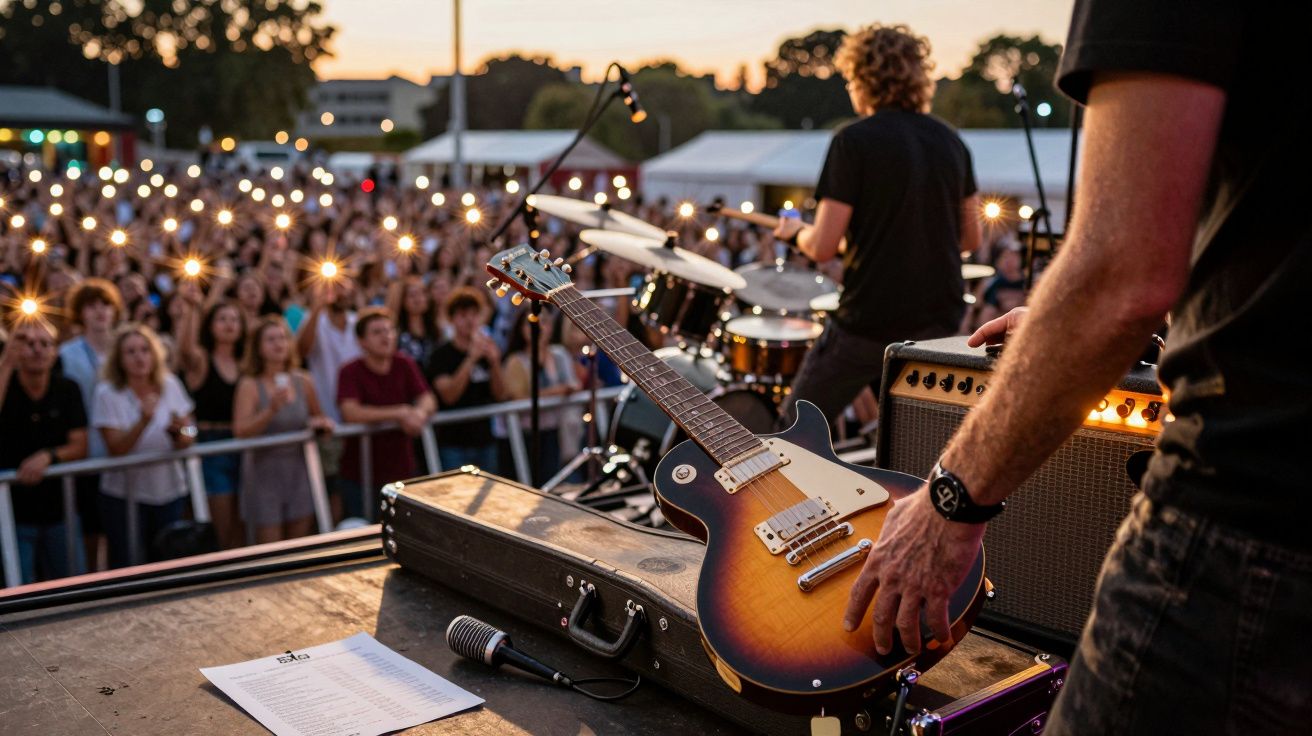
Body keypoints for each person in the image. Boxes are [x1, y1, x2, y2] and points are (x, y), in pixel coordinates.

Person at [843, 4, 1312, 734]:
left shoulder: (853, 141)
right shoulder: (946, 143)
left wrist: (947, 503)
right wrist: (1086, 331)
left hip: (1254, 519)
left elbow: (1119, 271)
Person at [773, 23, 981, 426]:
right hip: (939, 323)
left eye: (850, 78)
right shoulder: (952, 142)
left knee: (795, 432)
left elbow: (822, 247)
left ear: (864, 79)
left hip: (869, 321)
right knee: (915, 440)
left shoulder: (853, 141)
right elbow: (970, 238)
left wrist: (793, 231)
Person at [93, 323, 197, 568]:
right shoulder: (106, 393)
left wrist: (181, 432)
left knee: (168, 563)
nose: (139, 357)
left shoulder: (170, 384)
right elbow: (115, 448)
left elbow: (192, 431)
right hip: (124, 497)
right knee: (129, 564)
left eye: (144, 350)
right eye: (131, 351)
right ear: (119, 358)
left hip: (169, 491)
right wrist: (143, 421)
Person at [0, 319, 89, 583]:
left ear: (55, 351)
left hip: (60, 510)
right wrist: (6, 363)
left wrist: (48, 456)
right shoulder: (7, 384)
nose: (37, 350)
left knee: (71, 588)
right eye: (28, 343)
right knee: (18, 593)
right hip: (12, 512)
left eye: (45, 344)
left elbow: (80, 445)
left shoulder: (68, 389)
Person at [232, 316, 334, 543]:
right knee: (272, 551)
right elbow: (240, 430)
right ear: (258, 347)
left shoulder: (303, 380)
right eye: (270, 339)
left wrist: (321, 425)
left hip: (299, 471)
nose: (279, 344)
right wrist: (271, 409)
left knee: (298, 546)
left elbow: (318, 417)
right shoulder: (249, 385)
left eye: (282, 338)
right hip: (263, 475)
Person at [336, 308, 436, 518]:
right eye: (377, 332)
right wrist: (399, 412)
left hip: (403, 469)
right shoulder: (350, 371)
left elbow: (427, 398)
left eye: (389, 330)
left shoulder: (404, 363)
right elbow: (350, 412)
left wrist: (418, 413)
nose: (386, 336)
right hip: (361, 475)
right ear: (361, 341)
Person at [58, 278, 123, 570]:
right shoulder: (66, 354)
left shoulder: (127, 347)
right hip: (89, 454)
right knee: (92, 531)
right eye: (92, 306)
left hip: (125, 450)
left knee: (119, 536)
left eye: (106, 305)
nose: (100, 312)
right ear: (80, 313)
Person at [177, 296, 246, 549]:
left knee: (241, 524)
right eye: (222, 319)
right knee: (221, 525)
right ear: (211, 326)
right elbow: (184, 351)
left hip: (241, 443)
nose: (229, 325)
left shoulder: (245, 363)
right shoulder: (202, 360)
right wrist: (191, 309)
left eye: (234, 319)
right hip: (211, 448)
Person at [425, 287, 505, 472]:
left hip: (485, 439)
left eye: (474, 314)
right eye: (463, 315)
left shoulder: (487, 350)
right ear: (452, 320)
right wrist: (470, 359)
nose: (470, 320)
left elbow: (500, 394)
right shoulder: (441, 355)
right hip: (453, 443)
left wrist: (494, 363)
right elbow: (449, 395)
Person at [503, 307, 580, 480]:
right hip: (530, 436)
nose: (538, 327)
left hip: (561, 432)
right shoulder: (515, 361)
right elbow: (517, 398)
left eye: (544, 321)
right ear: (521, 329)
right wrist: (557, 391)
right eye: (531, 322)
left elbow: (573, 385)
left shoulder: (560, 354)